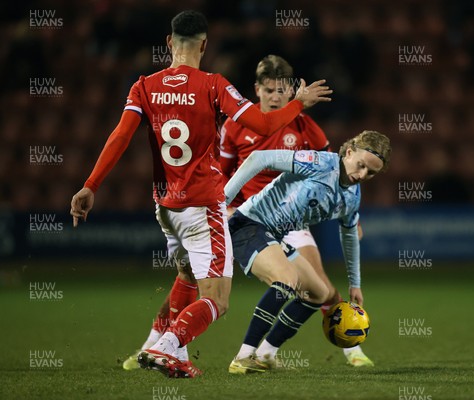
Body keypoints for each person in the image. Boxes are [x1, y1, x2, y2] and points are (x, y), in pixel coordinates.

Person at [70, 10, 331, 378]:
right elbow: (264, 123)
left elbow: (120, 136)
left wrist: (90, 185)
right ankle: (170, 347)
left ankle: (152, 344)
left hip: (165, 208)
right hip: (202, 206)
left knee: (187, 277)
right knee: (218, 299)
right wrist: (299, 102)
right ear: (205, 46)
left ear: (168, 43)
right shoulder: (213, 85)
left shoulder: (143, 85)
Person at [121, 54, 373, 370]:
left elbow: (334, 175)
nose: (276, 97)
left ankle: (349, 350)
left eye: (282, 90)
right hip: (245, 212)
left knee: (321, 290)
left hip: (291, 219)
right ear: (257, 89)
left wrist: (353, 218)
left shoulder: (306, 127)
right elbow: (222, 170)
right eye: (269, 91)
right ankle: (154, 344)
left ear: (290, 90)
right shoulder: (237, 126)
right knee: (189, 278)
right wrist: (221, 205)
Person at [225, 130, 390, 373]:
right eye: (361, 165)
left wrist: (355, 284)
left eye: (372, 172)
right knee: (286, 281)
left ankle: (266, 353)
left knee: (318, 293)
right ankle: (243, 356)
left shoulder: (353, 196)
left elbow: (349, 235)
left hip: (276, 236)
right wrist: (220, 203)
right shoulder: (320, 163)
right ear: (349, 152)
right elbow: (259, 158)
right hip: (249, 225)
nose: (362, 175)